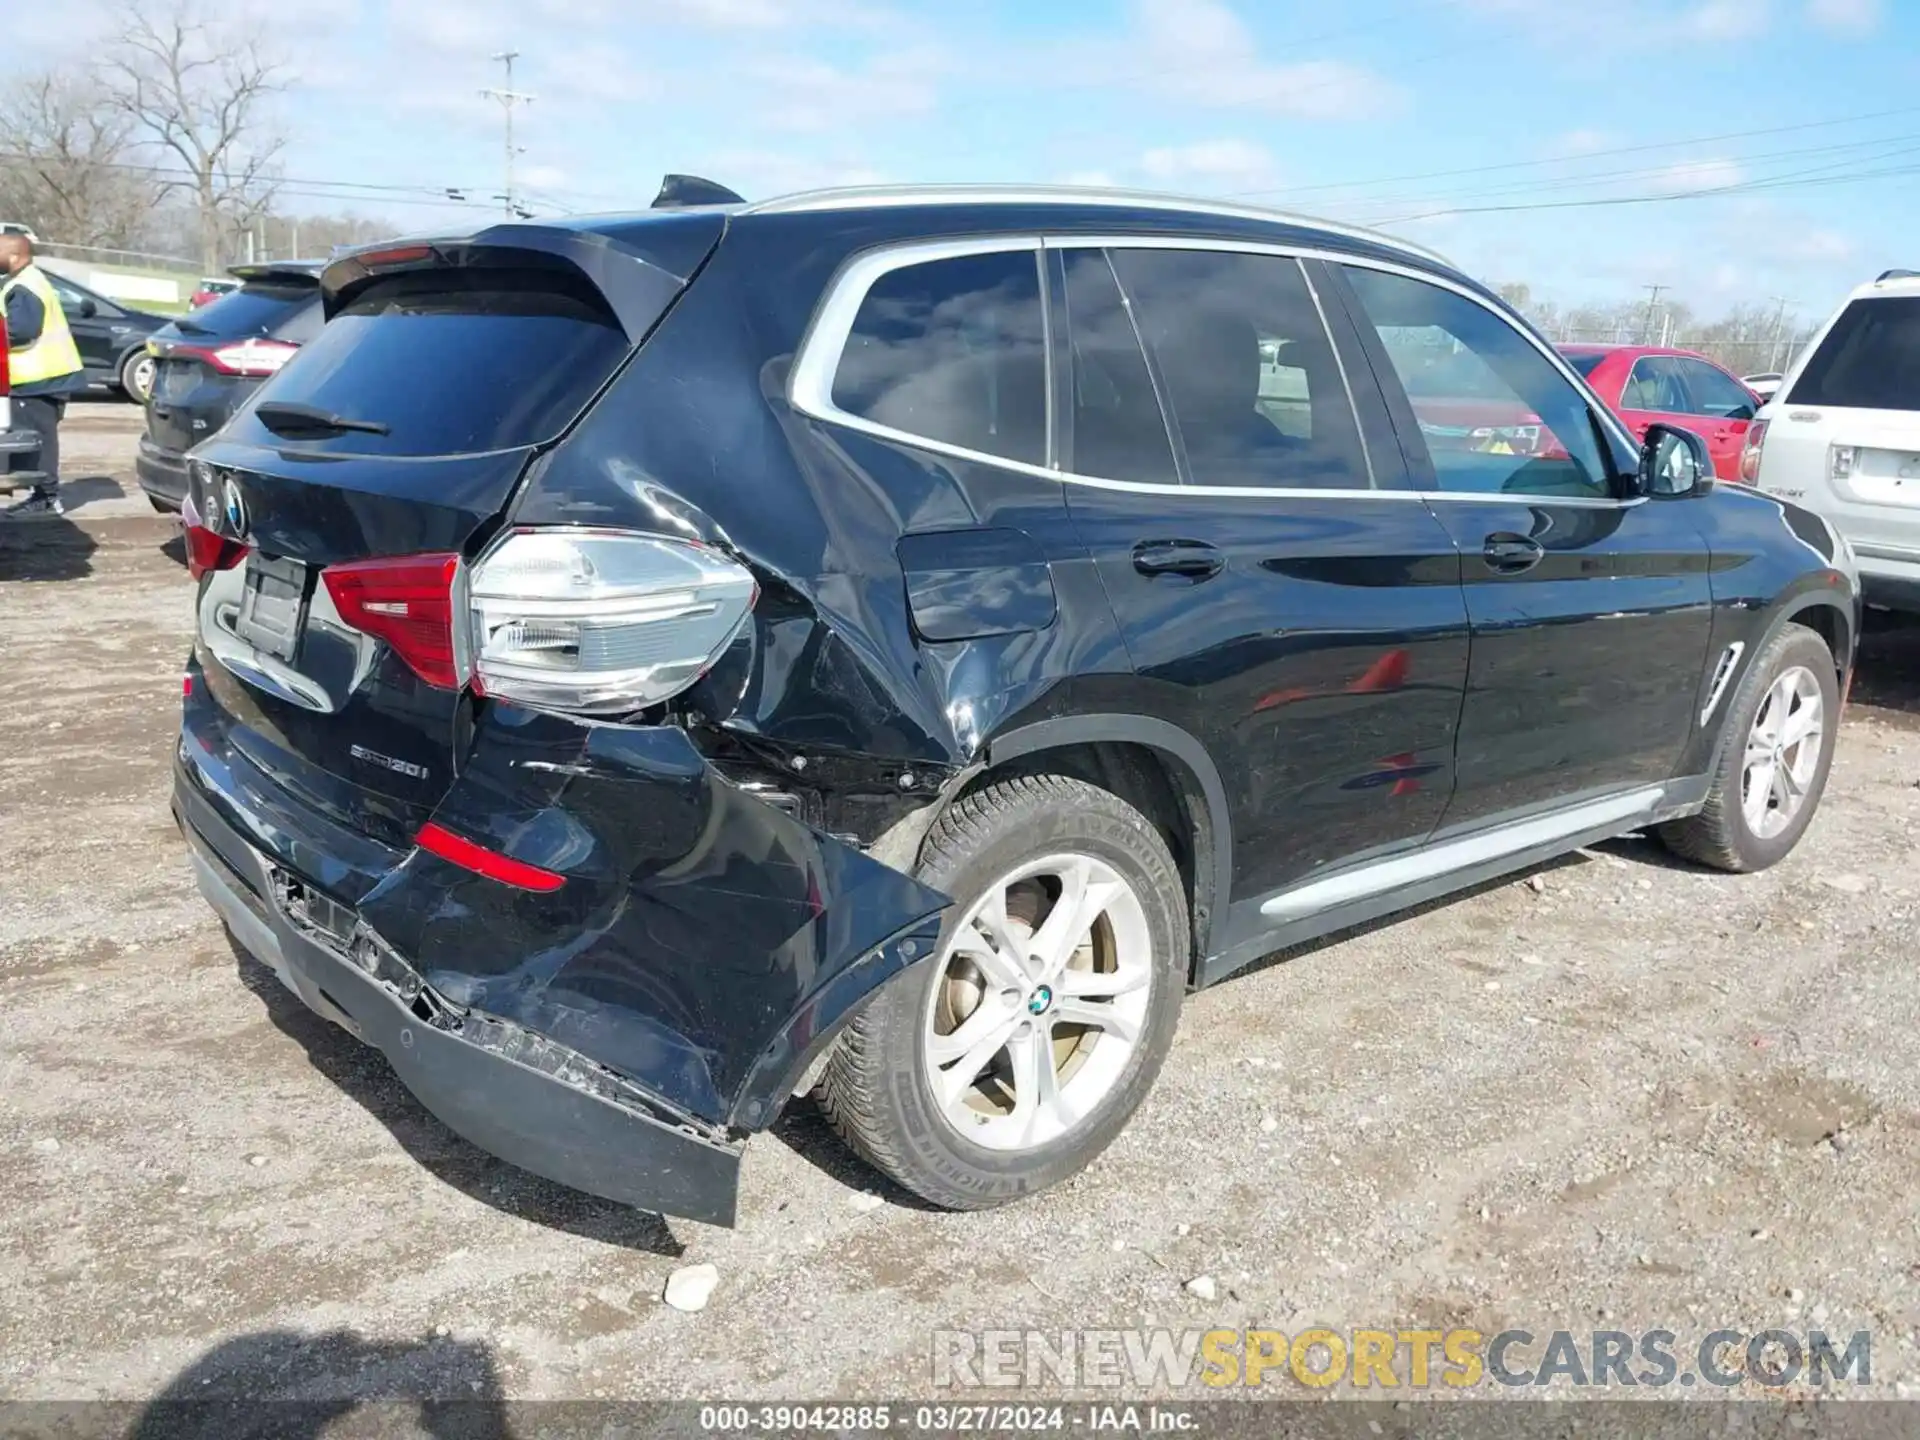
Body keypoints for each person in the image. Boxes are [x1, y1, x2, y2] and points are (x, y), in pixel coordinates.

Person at [0, 234, 87, 516]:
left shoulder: (24, 286)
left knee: (38, 439)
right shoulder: (29, 281)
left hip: (38, 378)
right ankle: (43, 494)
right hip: (44, 376)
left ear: (14, 255)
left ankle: (47, 497)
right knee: (37, 437)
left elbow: (21, 331)